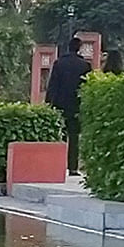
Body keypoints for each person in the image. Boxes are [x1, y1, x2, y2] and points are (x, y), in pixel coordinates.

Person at [45, 36, 92, 175]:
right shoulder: (85, 65)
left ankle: (59, 166)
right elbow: (87, 86)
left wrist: (49, 102)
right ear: (79, 48)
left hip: (60, 104)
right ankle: (73, 167)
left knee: (61, 135)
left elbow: (53, 85)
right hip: (76, 105)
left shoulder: (59, 63)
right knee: (74, 137)